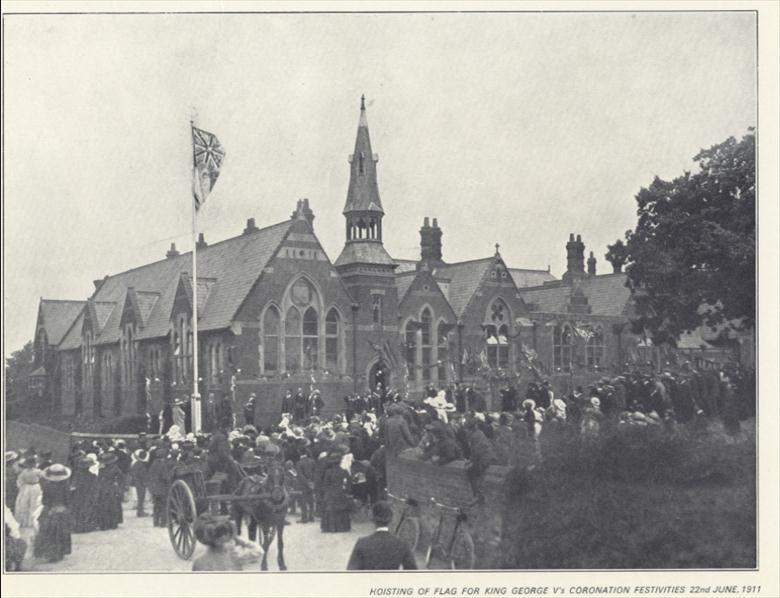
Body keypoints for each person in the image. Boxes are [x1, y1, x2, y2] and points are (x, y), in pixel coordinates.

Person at [347, 500, 418, 570]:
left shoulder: (362, 543)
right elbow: (413, 572)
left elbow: (351, 572)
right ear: (391, 519)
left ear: (372, 519)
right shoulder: (402, 544)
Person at [34, 464, 72, 563]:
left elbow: (44, 501)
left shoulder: (47, 486)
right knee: (62, 531)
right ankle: (61, 551)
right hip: (63, 511)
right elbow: (68, 500)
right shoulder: (65, 486)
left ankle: (50, 552)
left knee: (48, 532)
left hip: (50, 511)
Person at [320, 445, 353, 533]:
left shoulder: (328, 472)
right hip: (341, 493)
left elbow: (325, 484)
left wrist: (326, 492)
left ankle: (330, 527)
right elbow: (349, 483)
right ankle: (342, 527)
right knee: (342, 509)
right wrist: (346, 491)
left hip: (330, 493)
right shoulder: (344, 471)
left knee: (329, 509)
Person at [70, 454, 100, 533]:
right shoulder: (93, 476)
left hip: (78, 495)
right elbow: (96, 487)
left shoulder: (77, 475)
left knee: (78, 510)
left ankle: (78, 526)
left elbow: (73, 485)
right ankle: (87, 526)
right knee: (88, 510)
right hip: (89, 495)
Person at [96, 451, 124, 530]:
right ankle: (113, 523)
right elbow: (121, 478)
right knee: (113, 506)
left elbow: (98, 478)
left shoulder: (101, 468)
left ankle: (104, 524)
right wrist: (118, 485)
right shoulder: (115, 468)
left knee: (104, 506)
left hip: (103, 488)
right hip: (112, 488)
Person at [14, 457, 42, 529]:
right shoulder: (26, 472)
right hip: (29, 487)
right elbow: (20, 480)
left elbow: (20, 480)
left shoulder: (37, 471)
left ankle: (31, 521)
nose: (31, 465)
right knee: (26, 504)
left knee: (33, 503)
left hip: (32, 487)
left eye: (31, 463)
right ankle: (27, 521)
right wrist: (21, 486)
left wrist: (21, 486)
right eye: (30, 463)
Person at [148, 447, 170, 528]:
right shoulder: (162, 465)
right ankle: (163, 523)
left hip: (154, 488)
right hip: (162, 488)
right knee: (164, 505)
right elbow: (165, 477)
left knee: (156, 505)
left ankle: (156, 522)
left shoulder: (153, 464)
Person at [130, 449, 150, 517]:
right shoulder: (142, 465)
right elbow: (142, 475)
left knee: (140, 498)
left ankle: (140, 511)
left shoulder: (136, 464)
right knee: (141, 498)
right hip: (141, 483)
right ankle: (140, 512)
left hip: (137, 483)